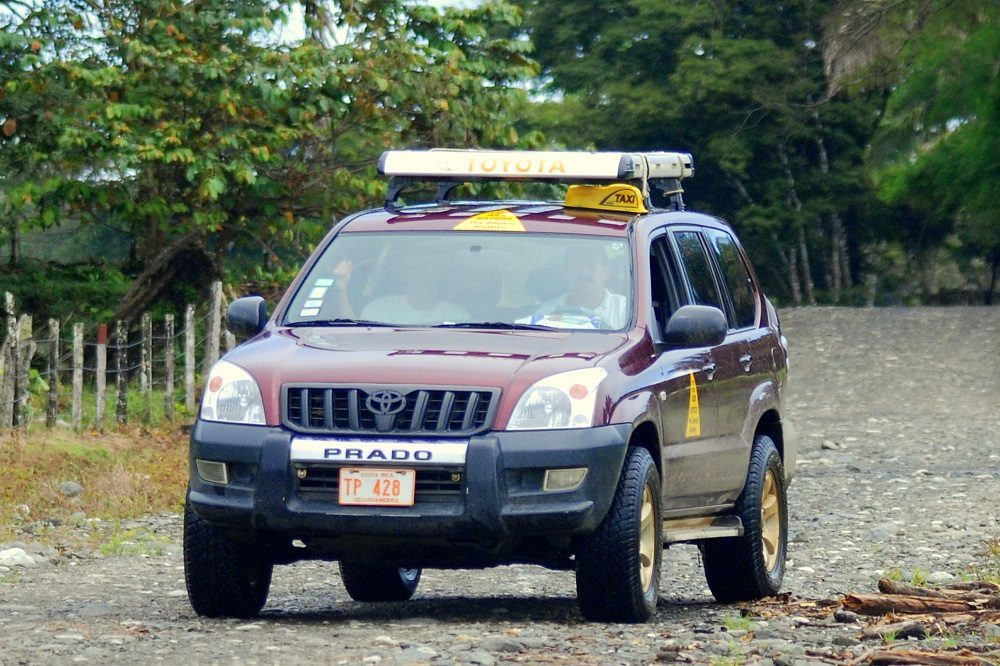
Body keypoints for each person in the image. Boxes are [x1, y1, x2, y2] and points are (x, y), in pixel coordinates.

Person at [323, 256, 470, 325]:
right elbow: (354, 337)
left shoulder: (458, 316)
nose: (423, 275)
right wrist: (340, 290)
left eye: (429, 271)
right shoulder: (380, 310)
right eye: (417, 271)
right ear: (405, 277)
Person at [531, 246, 627, 329]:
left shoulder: (625, 310)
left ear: (606, 272)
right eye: (576, 265)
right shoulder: (546, 312)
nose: (583, 272)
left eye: (592, 264)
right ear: (565, 272)